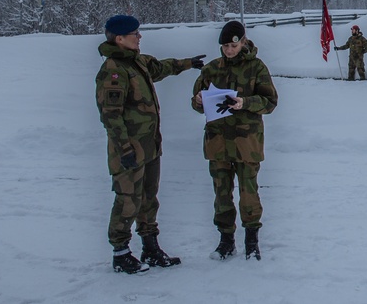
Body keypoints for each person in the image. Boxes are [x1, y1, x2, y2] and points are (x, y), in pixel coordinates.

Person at [94, 14, 206, 274]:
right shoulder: (114, 70)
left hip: (150, 147)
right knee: (127, 201)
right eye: (135, 34)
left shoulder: (138, 62)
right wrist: (124, 149)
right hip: (129, 150)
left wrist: (188, 63)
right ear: (119, 39)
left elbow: (161, 68)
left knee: (148, 199)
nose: (140, 36)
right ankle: (121, 254)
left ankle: (150, 248)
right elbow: (111, 116)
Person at [191, 20, 278, 261]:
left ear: (242, 42)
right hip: (218, 141)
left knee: (249, 192)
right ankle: (226, 240)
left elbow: (270, 102)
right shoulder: (211, 69)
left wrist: (245, 102)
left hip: (246, 141)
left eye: (232, 45)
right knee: (221, 192)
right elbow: (197, 102)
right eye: (225, 46)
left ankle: (252, 241)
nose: (228, 50)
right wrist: (198, 101)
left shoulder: (256, 67)